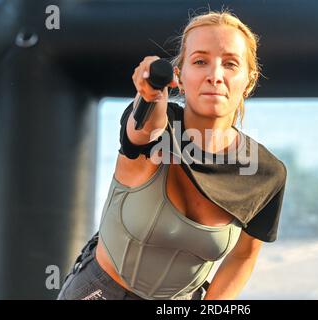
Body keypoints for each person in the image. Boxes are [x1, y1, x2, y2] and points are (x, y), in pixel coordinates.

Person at [57, 10, 287, 300]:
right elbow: (145, 128)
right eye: (200, 61)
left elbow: (244, 256)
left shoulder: (264, 172)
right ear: (179, 74)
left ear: (249, 80)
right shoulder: (158, 127)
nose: (215, 76)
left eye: (230, 64)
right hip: (101, 292)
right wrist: (150, 93)